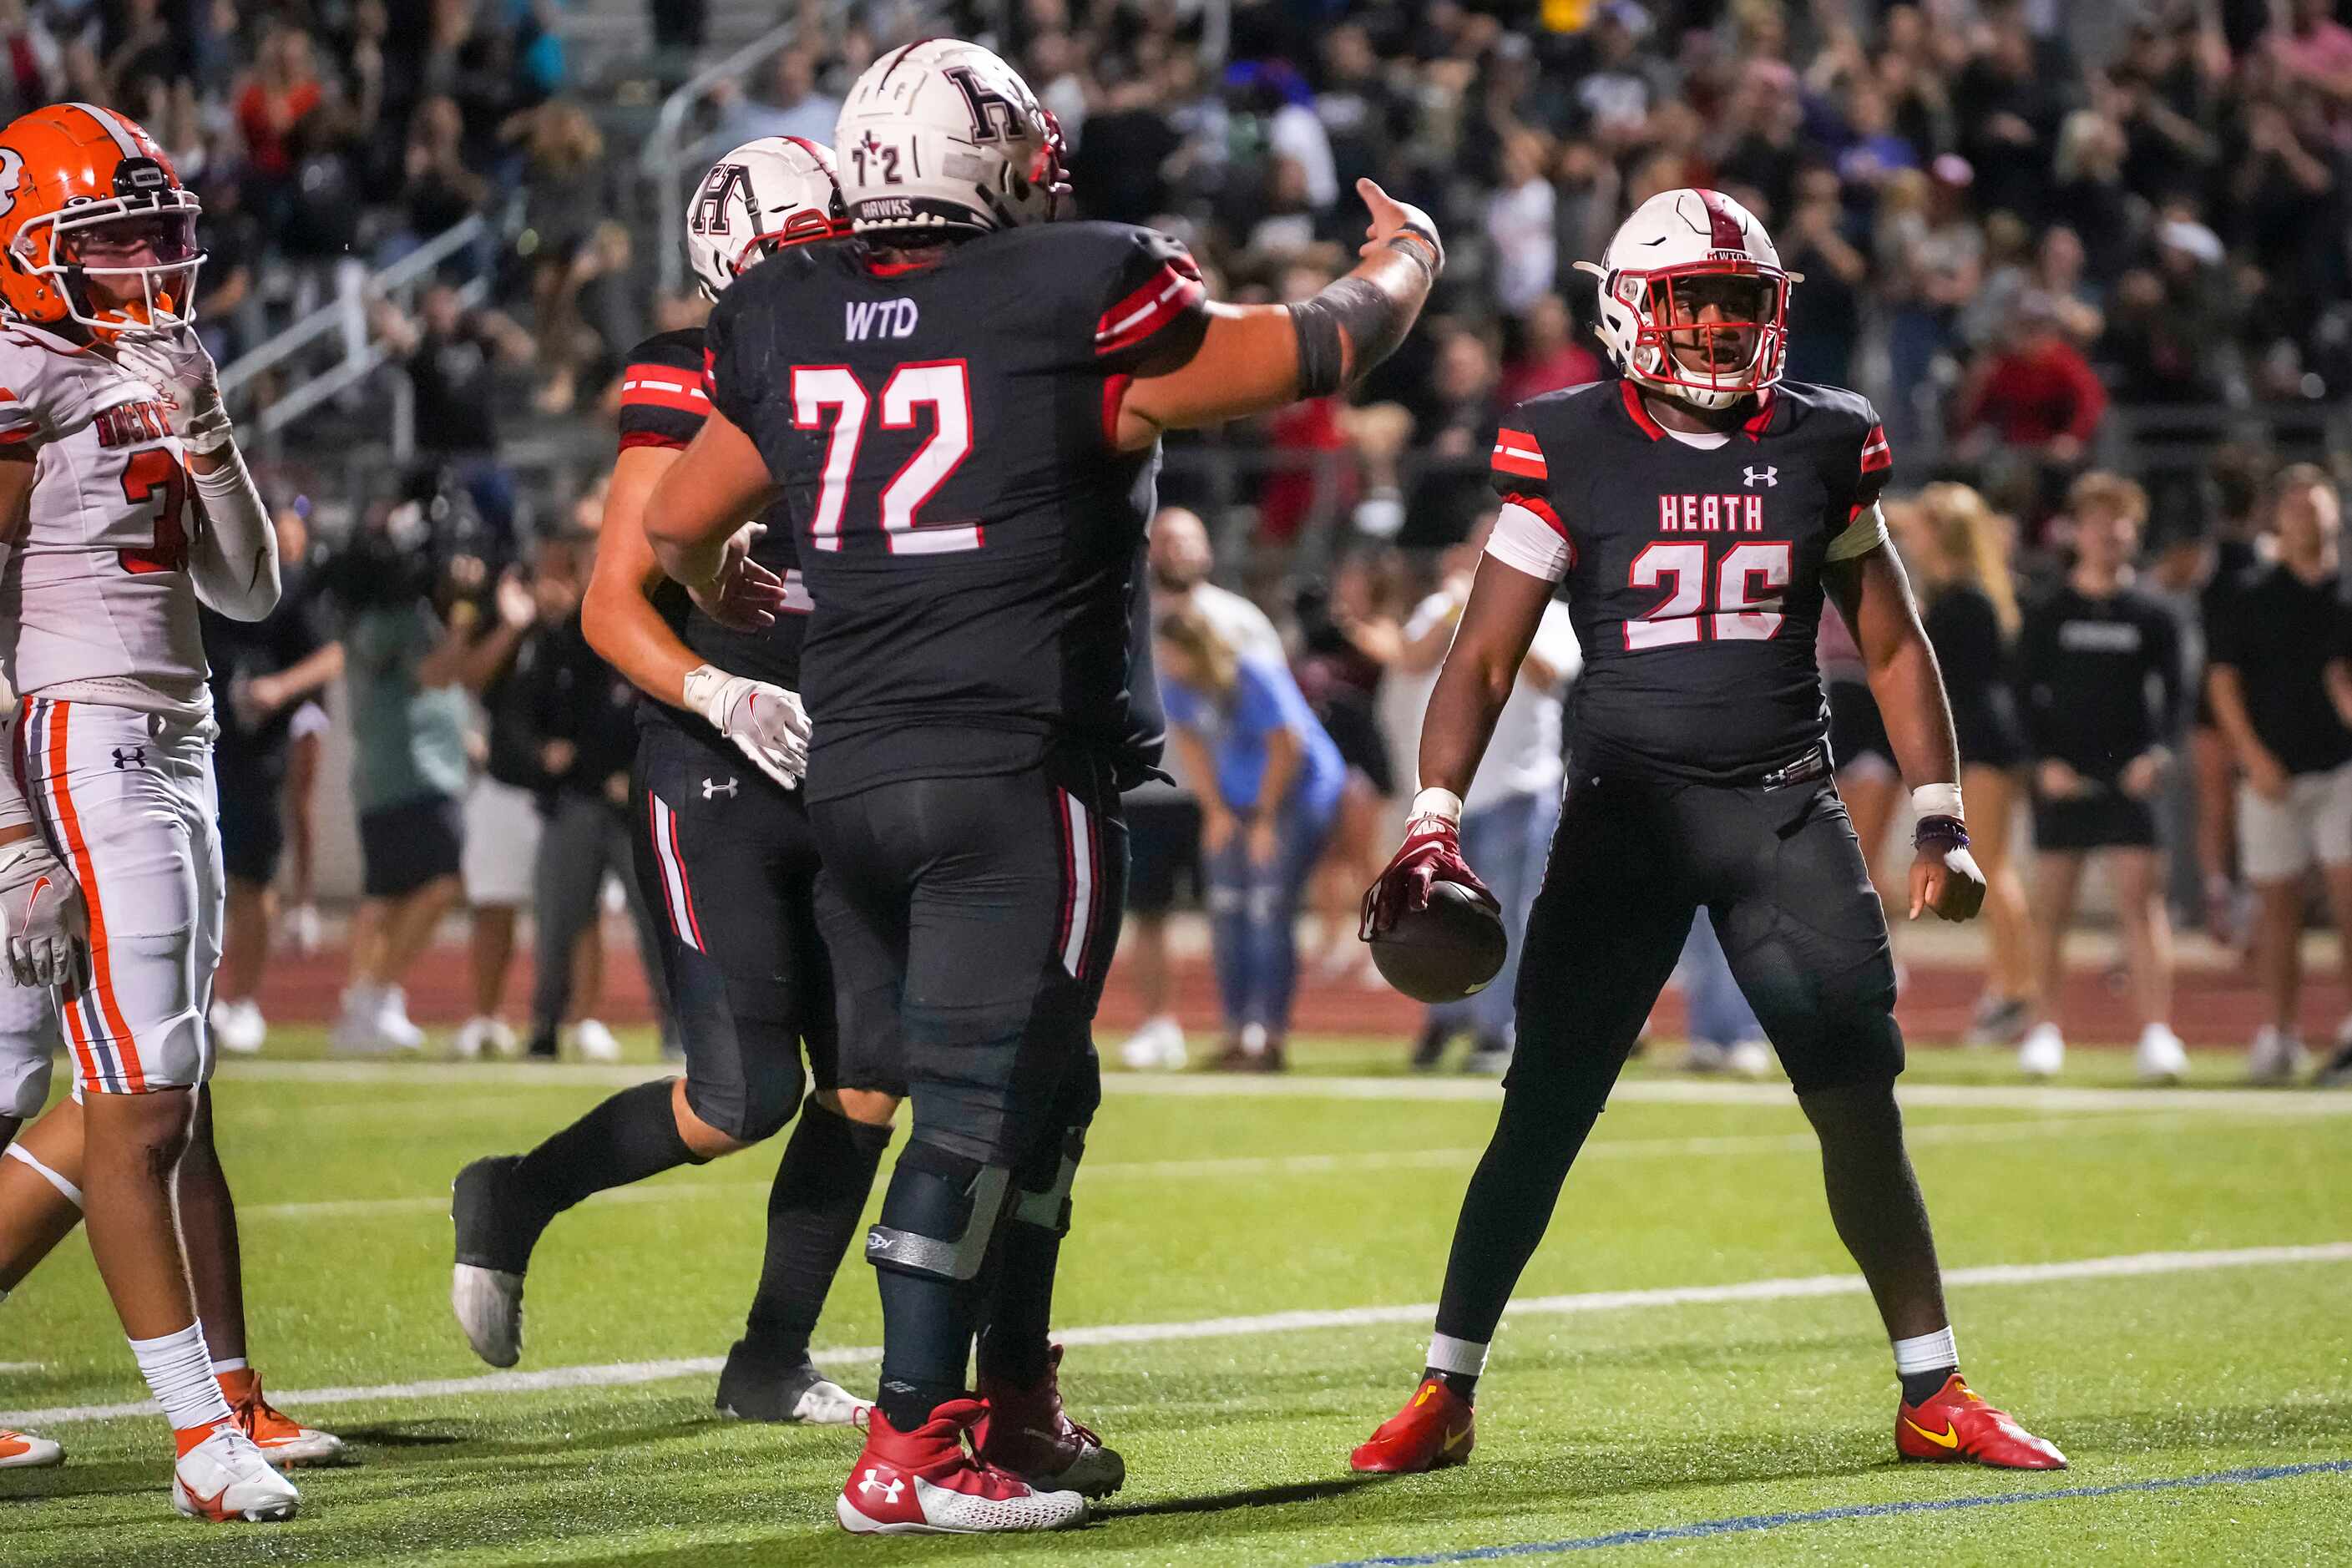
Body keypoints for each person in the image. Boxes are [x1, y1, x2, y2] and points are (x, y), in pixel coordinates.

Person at [642, 38, 1439, 1534]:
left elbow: (680, 521)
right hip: (1011, 764)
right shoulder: (1069, 294)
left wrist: (722, 570)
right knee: (975, 1102)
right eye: (1017, 150)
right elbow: (1323, 346)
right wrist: (1406, 258)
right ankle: (910, 1445)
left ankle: (1006, 1397)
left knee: (1042, 1096)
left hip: (857, 769)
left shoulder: (794, 311)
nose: (1039, 173)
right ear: (977, 163)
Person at [1352, 187, 2061, 1479]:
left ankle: (1933, 1389)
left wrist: (1940, 812)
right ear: (1630, 306)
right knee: (1543, 1110)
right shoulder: (1565, 438)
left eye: (1744, 301)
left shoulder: (1825, 435)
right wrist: (1432, 814)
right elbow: (1485, 650)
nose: (1726, 327)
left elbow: (1893, 638)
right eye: (1698, 301)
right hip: (1622, 817)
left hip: (1780, 808)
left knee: (1858, 1103)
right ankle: (1444, 1388)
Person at [451, 139, 898, 1428]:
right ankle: (519, 1190)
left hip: (858, 751)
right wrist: (722, 691)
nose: (833, 266)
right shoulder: (693, 369)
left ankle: (770, 1353)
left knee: (876, 1063)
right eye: (803, 245)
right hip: (719, 766)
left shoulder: (893, 339)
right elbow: (607, 604)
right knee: (740, 1096)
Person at [0, 103, 320, 1520]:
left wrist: (211, 434)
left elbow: (249, 590)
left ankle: (210, 1421)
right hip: (78, 734)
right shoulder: (15, 370)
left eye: (153, 231)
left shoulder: (158, 361)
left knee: (124, 1093)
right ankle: (202, 1435)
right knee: (139, 1102)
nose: (140, 260)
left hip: (169, 732)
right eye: (106, 234)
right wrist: (12, 836)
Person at [2015, 473, 2189, 1082]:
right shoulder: (2048, 611)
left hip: (2130, 778)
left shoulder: (2152, 614)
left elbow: (2175, 698)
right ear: (2075, 531)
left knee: (2141, 905)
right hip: (2065, 778)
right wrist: (2044, 764)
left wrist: (2157, 755)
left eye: (2120, 522)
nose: (2108, 533)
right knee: (2051, 909)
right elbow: (2021, 695)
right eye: (2096, 520)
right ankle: (2042, 1029)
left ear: (2133, 532)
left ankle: (2156, 1034)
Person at [1393, 519, 1579, 1075]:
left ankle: (1496, 1031)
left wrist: (1502, 619)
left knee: (1505, 916)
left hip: (1518, 787)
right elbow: (1410, 658)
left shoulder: (1551, 615)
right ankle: (1443, 1021)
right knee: (1437, 916)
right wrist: (1460, 608)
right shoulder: (1444, 607)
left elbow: (1550, 676)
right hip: (1451, 791)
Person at [318, 482, 485, 1057]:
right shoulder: (393, 620)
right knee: (440, 884)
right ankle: (372, 995)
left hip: (395, 771)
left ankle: (367, 1004)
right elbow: (436, 673)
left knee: (385, 898)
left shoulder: (381, 616)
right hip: (411, 773)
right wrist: (467, 616)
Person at [1117, 507, 1280, 1072]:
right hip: (1148, 790)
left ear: (1207, 550)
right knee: (1149, 912)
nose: (1177, 551)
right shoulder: (1124, 619)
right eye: (1166, 541)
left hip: (1229, 795)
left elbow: (1273, 713)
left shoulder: (1238, 619)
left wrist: (1260, 798)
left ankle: (1242, 1026)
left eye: (1188, 540)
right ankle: (1158, 1024)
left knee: (1237, 911)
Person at [2204, 466, 2352, 1085]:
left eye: (2315, 507)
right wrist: (2252, 756)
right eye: (2293, 508)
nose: (2306, 519)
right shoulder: (2250, 594)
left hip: (2342, 767)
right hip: (2272, 774)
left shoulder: (2346, 593)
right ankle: (2282, 1032)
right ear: (2275, 520)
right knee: (2277, 910)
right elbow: (2223, 681)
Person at [1156, 605, 1345, 1073]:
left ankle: (1269, 1035)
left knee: (1268, 908)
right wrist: (1216, 811)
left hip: (1296, 796)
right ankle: (1236, 1032)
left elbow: (1288, 744)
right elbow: (1192, 745)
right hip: (1238, 800)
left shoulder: (1253, 674)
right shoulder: (1178, 685)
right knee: (1225, 911)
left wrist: (1263, 819)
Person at [511, 531, 674, 1063]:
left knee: (660, 925)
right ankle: (543, 1029)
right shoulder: (560, 640)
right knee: (558, 920)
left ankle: (678, 1032)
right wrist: (544, 753)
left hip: (635, 807)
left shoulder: (653, 631)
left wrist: (638, 775)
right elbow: (524, 716)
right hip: (576, 804)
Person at [200, 499, 340, 1055]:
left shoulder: (293, 592)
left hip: (257, 752)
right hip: (198, 749)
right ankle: (199, 1006)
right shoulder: (206, 580)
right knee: (197, 884)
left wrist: (278, 689)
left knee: (252, 883)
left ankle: (246, 1001)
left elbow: (330, 656)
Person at [1896, 485, 2035, 1044]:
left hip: (1978, 743)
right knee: (1987, 867)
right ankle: (2010, 988)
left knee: (1990, 867)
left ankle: (2017, 989)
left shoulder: (1963, 602)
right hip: (1974, 741)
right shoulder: (1967, 595)